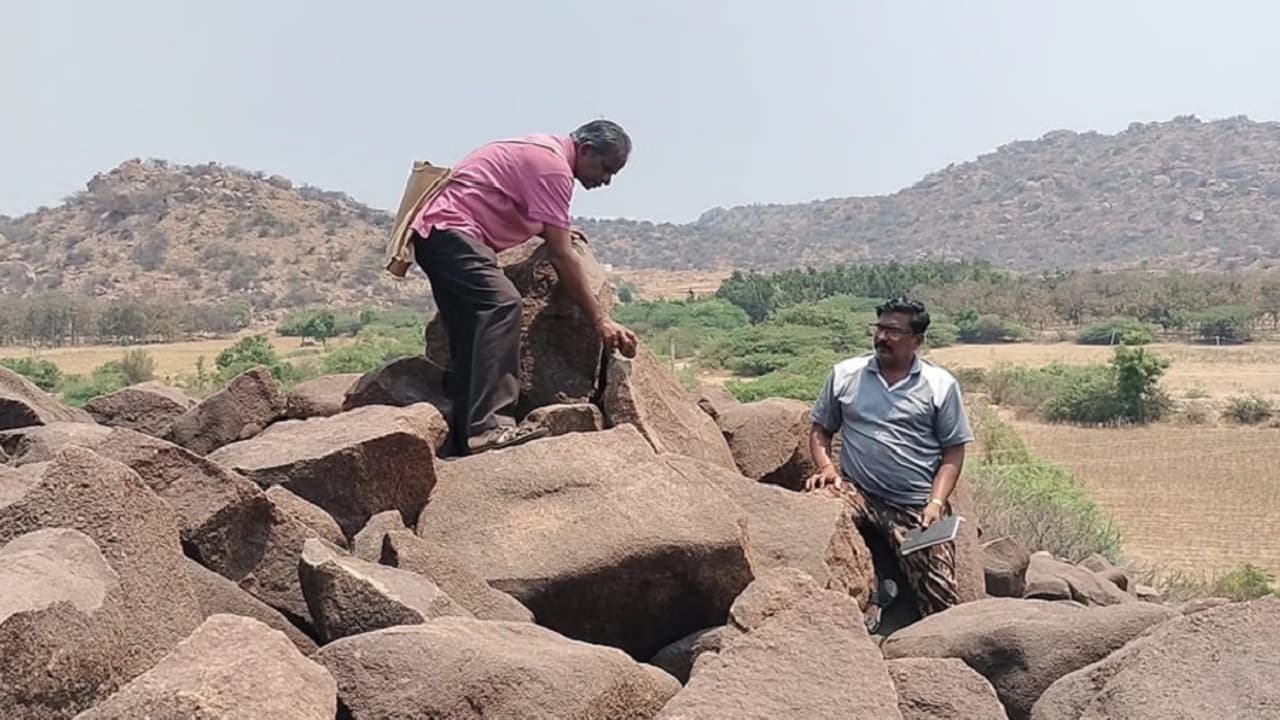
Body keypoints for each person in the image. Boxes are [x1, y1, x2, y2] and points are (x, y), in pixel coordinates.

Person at [409, 120, 639, 456]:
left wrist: (555, 231)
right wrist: (600, 320)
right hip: (453, 232)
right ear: (586, 149)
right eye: (605, 168)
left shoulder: (542, 150)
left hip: (436, 235)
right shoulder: (554, 168)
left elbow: (522, 206)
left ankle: (462, 439)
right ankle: (490, 429)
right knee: (502, 306)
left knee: (469, 335)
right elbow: (562, 256)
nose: (605, 180)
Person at [804, 296, 974, 631]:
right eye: (879, 328)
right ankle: (842, 611)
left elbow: (953, 451)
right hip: (857, 491)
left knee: (940, 599)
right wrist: (826, 469)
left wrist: (936, 503)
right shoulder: (845, 374)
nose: (882, 337)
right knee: (816, 512)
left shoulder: (940, 386)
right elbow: (820, 429)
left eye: (893, 331)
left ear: (917, 340)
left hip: (913, 504)